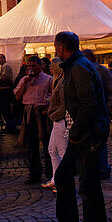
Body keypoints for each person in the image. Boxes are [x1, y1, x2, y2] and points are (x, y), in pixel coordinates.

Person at [43, 31, 109, 222]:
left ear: (61, 47)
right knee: (62, 177)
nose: (55, 50)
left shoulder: (79, 67)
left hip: (86, 136)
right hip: (80, 134)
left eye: (55, 47)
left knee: (89, 188)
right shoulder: (75, 65)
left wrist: (76, 132)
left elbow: (88, 104)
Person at [14, 55, 53, 184]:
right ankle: (34, 173)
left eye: (33, 66)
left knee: (47, 144)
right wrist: (25, 83)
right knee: (31, 144)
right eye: (29, 66)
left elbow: (51, 96)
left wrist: (46, 108)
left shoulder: (48, 79)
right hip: (29, 113)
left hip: (41, 113)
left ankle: (50, 173)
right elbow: (17, 96)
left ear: (40, 66)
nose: (31, 68)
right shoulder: (24, 80)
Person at [82, 49, 112, 178]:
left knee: (99, 141)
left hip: (99, 112)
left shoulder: (102, 71)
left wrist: (108, 109)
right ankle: (95, 168)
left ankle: (102, 168)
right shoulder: (83, 70)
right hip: (90, 112)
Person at [46, 59, 68, 190]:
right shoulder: (57, 82)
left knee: (62, 151)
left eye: (51, 66)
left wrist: (53, 114)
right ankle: (56, 178)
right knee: (52, 149)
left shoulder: (61, 83)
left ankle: (63, 182)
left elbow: (65, 104)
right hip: (57, 120)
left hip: (60, 120)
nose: (49, 68)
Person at [0, 53, 16, 133]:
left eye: (0, 58)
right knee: (5, 108)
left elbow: (4, 77)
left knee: (6, 108)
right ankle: (9, 125)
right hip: (4, 90)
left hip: (6, 90)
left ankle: (10, 126)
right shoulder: (3, 66)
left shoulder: (6, 66)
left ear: (4, 58)